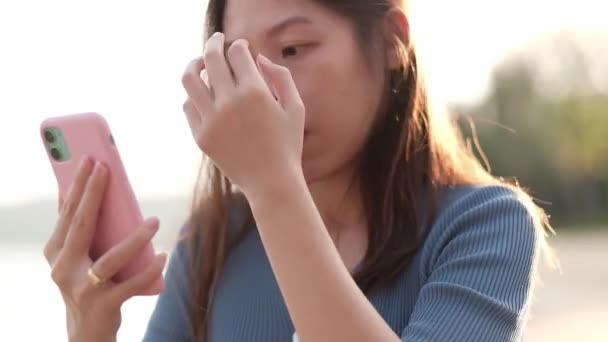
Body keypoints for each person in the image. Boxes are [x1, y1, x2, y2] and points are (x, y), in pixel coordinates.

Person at [43, 0, 554, 341]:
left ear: (393, 40)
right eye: (239, 66)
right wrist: (89, 329)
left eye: (293, 50)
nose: (260, 96)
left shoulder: (485, 226)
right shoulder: (212, 242)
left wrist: (271, 185)